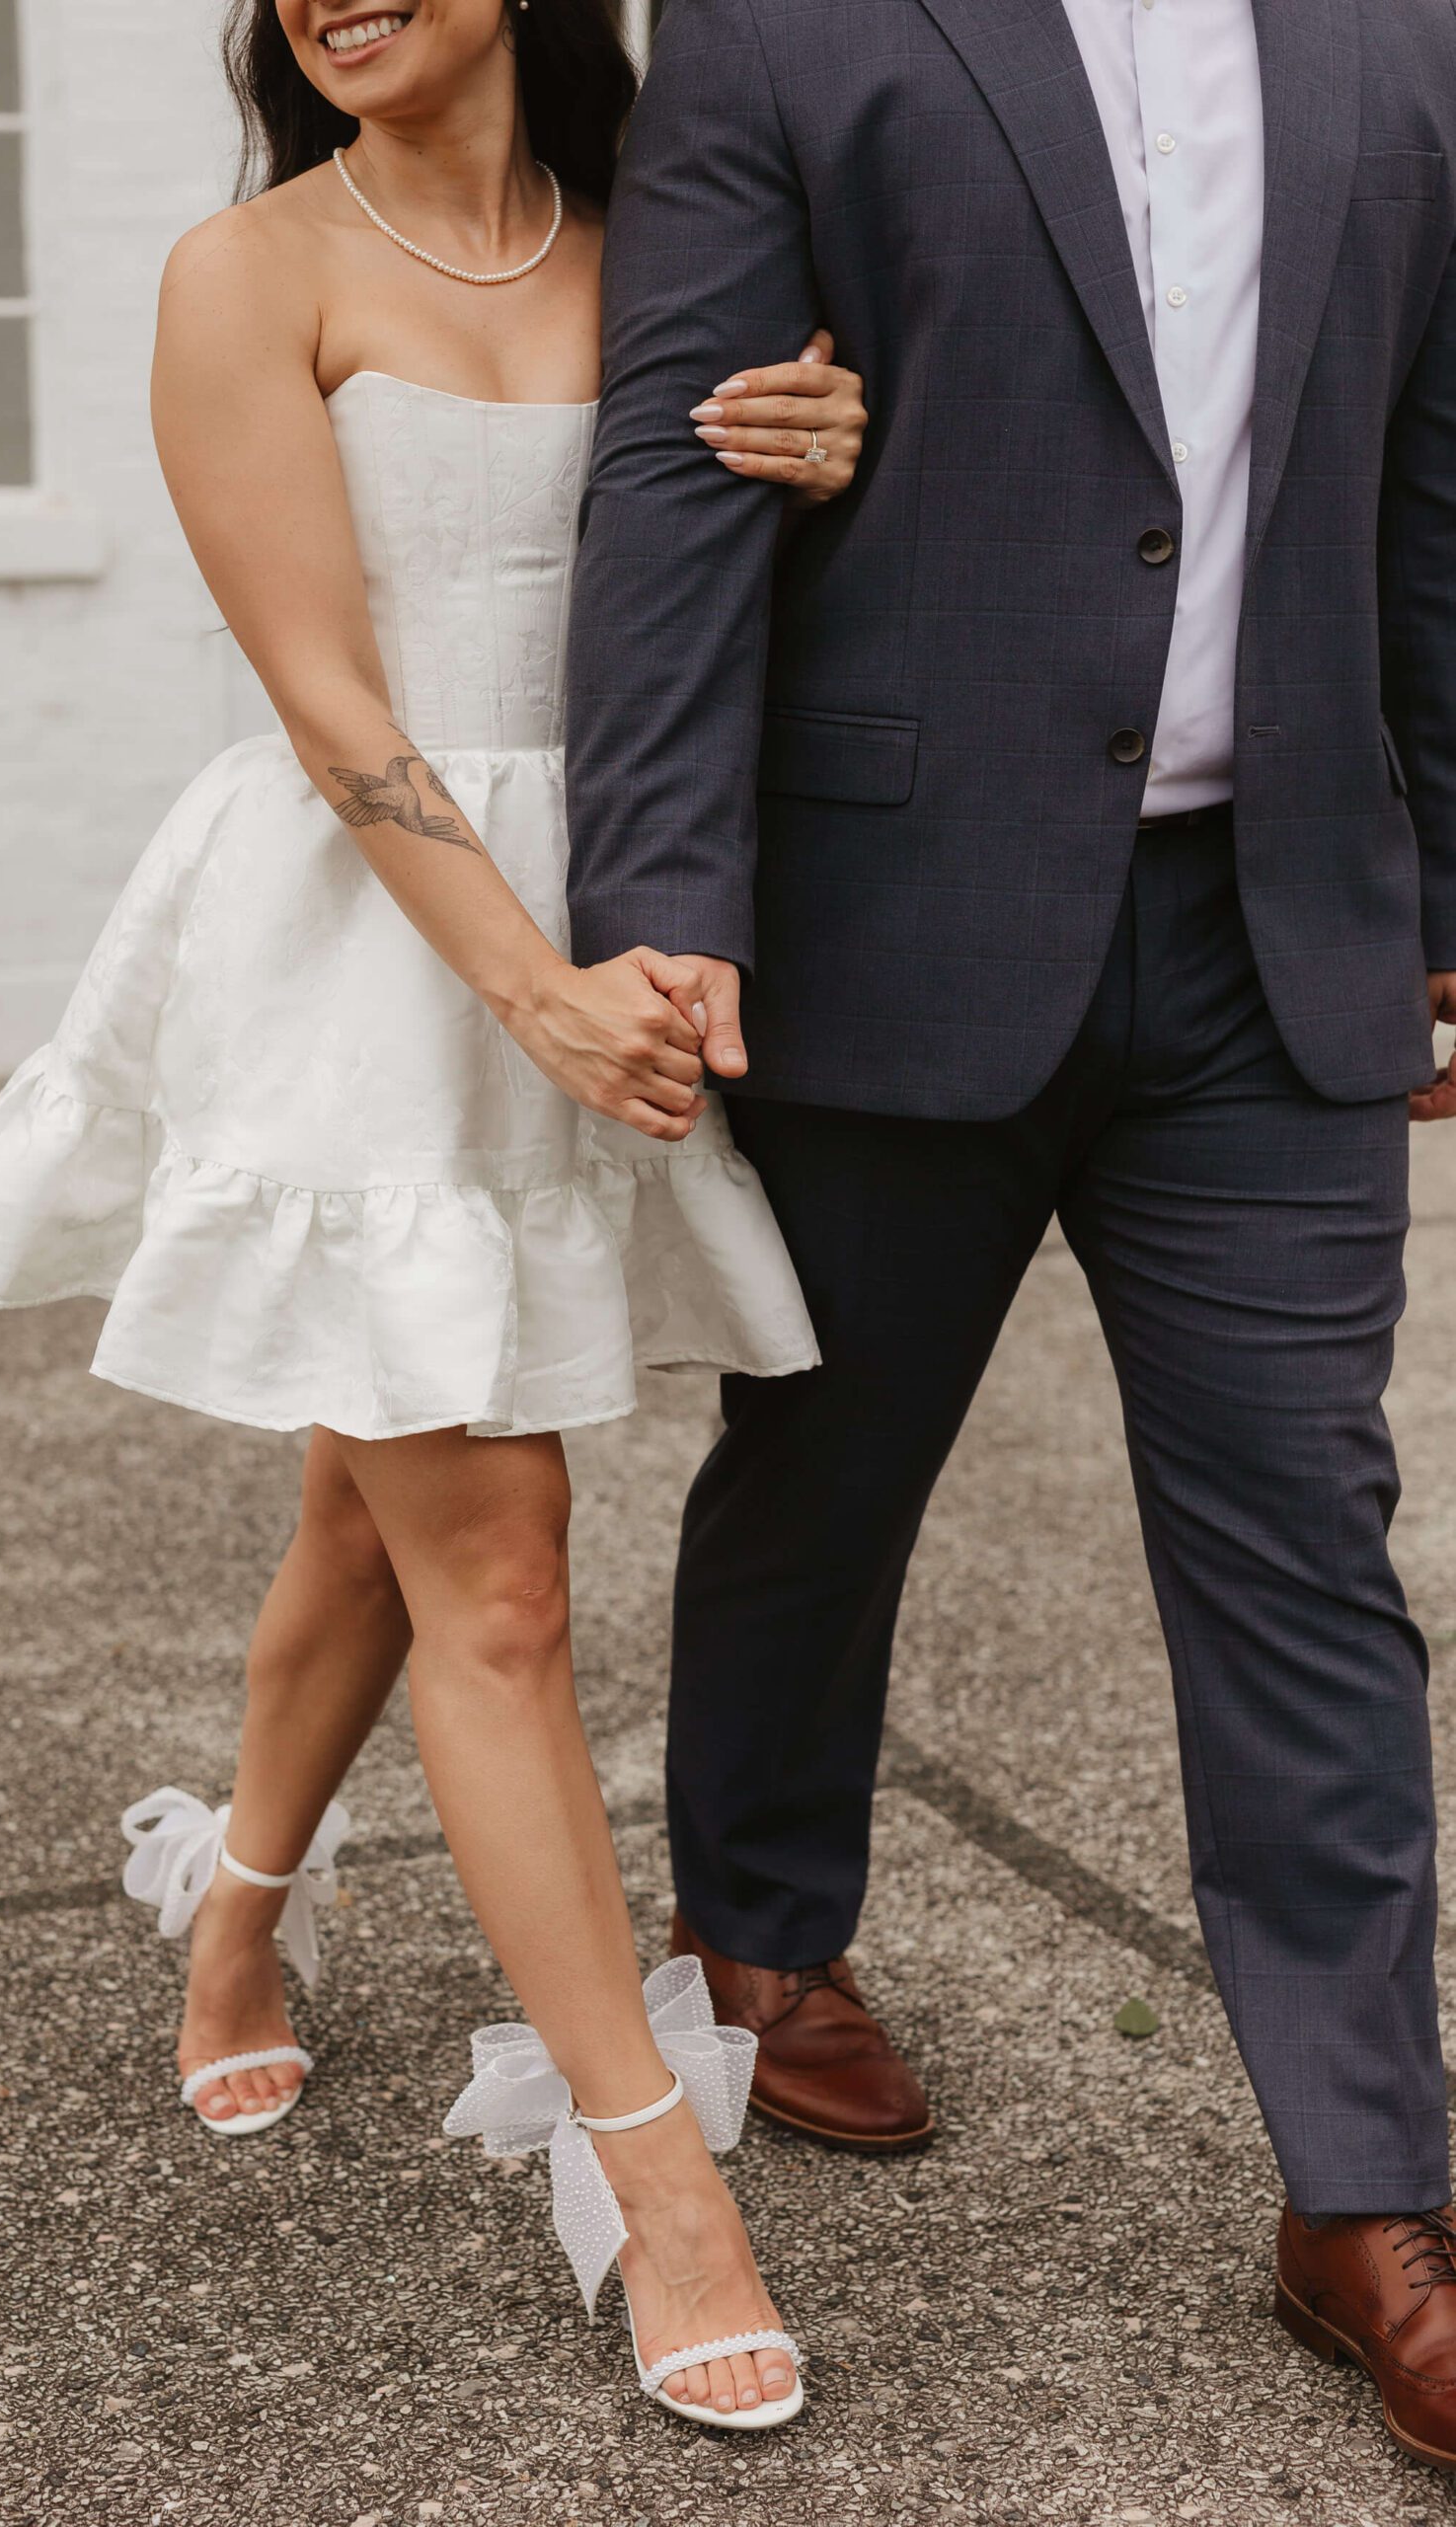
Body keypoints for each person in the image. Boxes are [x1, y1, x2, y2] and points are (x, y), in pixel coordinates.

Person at [0, 0, 873, 2433]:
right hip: (373, 948)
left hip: (621, 918)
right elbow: (335, 698)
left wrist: (826, 444)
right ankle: (657, 2181)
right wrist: (531, 993)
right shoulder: (249, 270)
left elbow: (752, 587)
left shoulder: (682, 238)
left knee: (371, 1493)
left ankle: (232, 1905)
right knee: (504, 1560)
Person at [566, 0, 1456, 2465]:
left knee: (1305, 1532)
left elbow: (1428, 479)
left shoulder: (1408, 39)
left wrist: (1441, 890)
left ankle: (1369, 2192)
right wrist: (657, 885)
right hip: (888, 916)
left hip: (1272, 945)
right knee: (822, 1467)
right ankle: (758, 1917)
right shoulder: (777, 24)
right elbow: (680, 461)